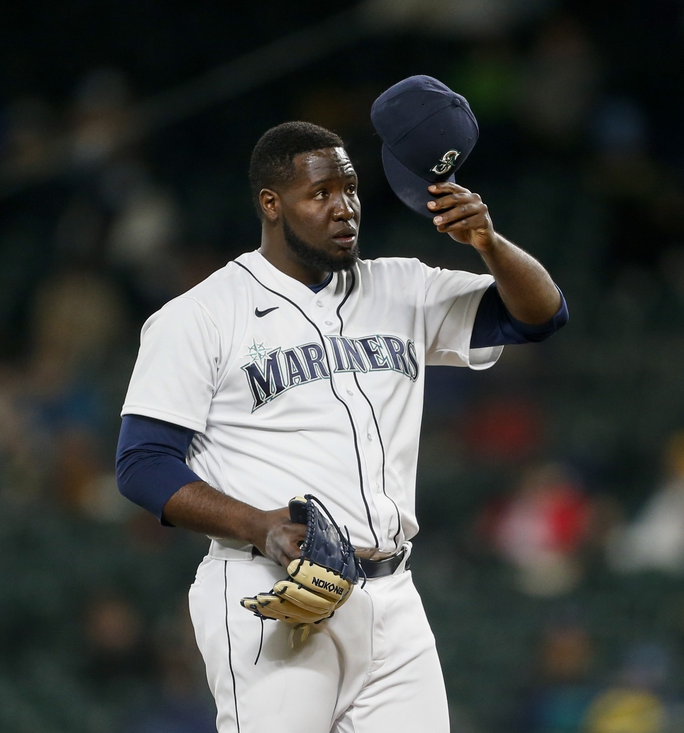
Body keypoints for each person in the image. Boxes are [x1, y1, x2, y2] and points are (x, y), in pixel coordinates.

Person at [115, 120, 568, 732]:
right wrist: (259, 524)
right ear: (271, 205)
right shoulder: (198, 317)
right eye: (320, 193)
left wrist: (488, 242)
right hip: (272, 593)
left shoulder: (401, 284)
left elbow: (539, 315)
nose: (343, 207)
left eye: (349, 190)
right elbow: (142, 463)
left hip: (393, 595)